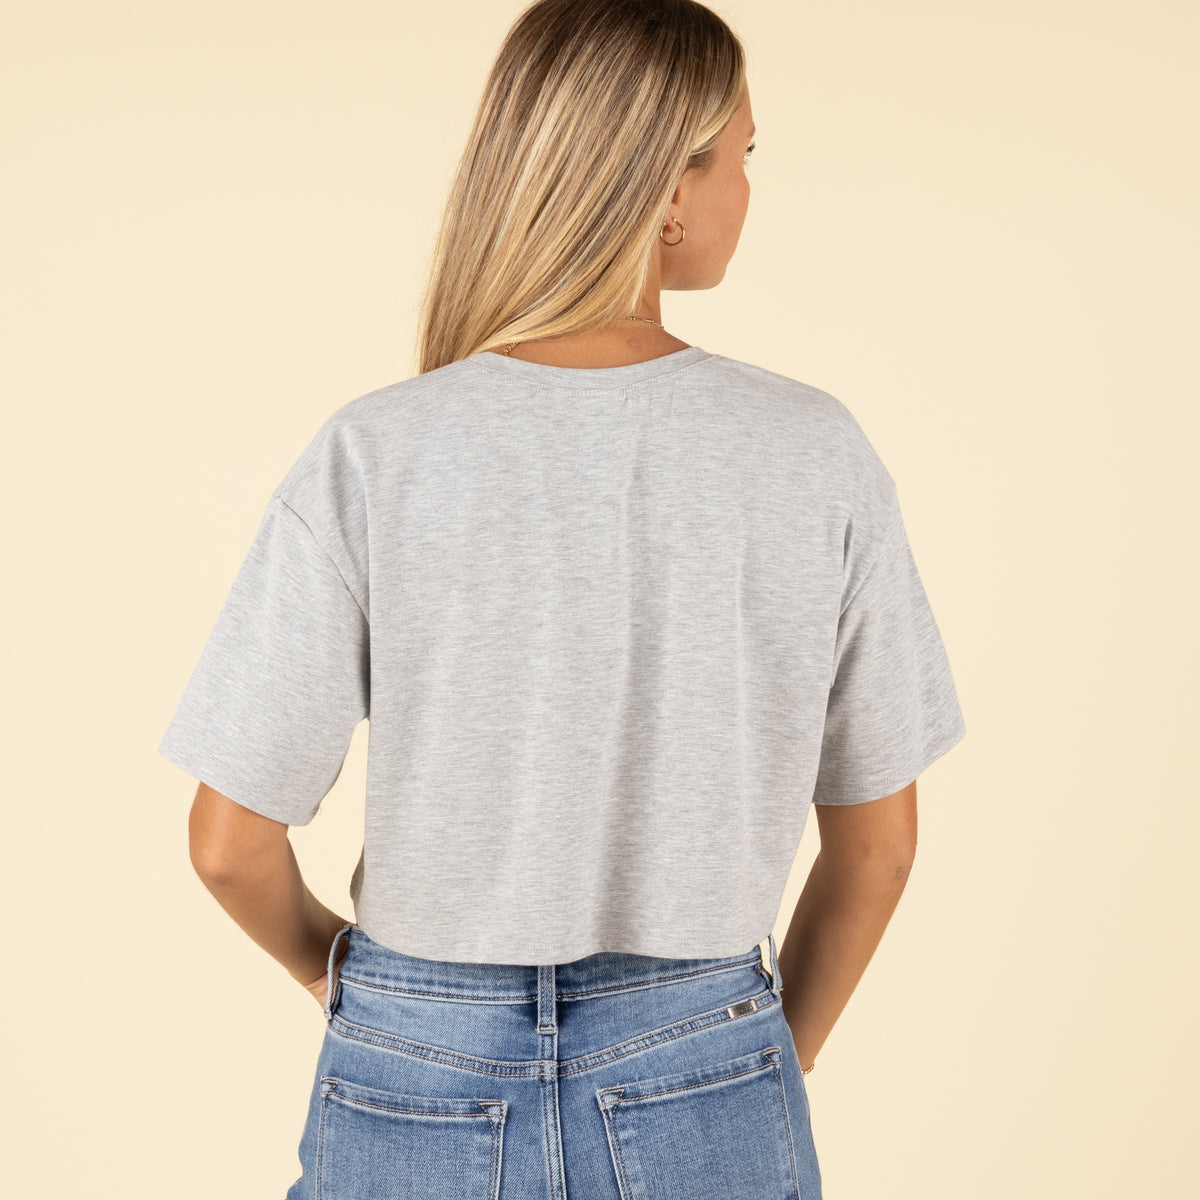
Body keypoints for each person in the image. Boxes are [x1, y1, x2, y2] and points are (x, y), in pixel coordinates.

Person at [158, 1, 966, 1196]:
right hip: (706, 1050)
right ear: (668, 194)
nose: (749, 184)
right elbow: (880, 848)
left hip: (410, 1056)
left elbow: (229, 847)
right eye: (743, 152)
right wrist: (744, 1067)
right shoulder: (814, 451)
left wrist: (354, 983)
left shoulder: (380, 451)